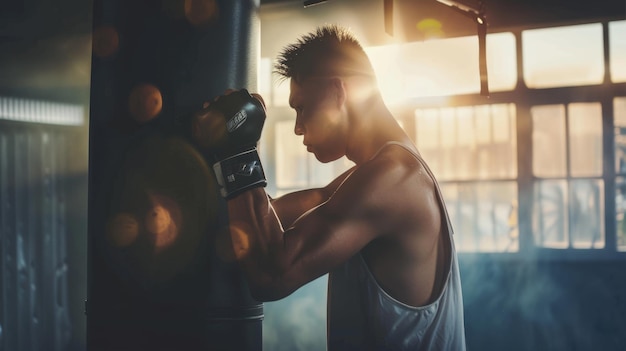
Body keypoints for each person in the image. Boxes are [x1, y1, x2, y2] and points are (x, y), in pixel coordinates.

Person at [192, 24, 466, 351]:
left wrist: (237, 151)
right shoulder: (374, 176)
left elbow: (272, 274)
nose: (296, 127)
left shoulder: (393, 180)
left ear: (339, 91)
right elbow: (276, 213)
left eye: (302, 107)